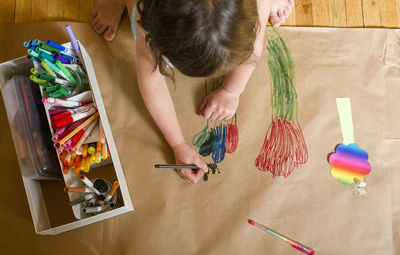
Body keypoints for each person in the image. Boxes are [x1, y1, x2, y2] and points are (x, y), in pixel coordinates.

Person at [90, 0, 294, 184]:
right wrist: (177, 143)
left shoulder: (253, 7)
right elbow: (151, 79)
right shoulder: (146, 12)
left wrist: (232, 91)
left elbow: (252, 50)